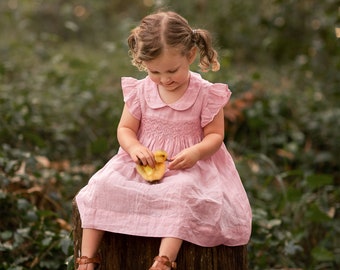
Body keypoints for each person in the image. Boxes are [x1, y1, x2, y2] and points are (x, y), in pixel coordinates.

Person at [75, 10, 252, 270]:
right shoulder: (142, 89)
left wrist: (196, 152)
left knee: (180, 194)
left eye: (172, 70)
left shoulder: (205, 93)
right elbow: (125, 128)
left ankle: (165, 259)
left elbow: (215, 135)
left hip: (188, 165)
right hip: (141, 160)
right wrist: (135, 148)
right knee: (101, 185)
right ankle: (87, 258)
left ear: (190, 56)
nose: (164, 79)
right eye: (154, 71)